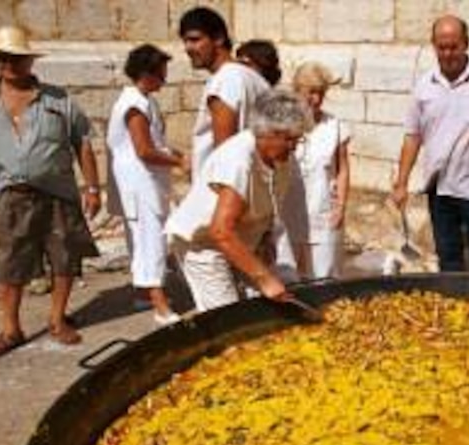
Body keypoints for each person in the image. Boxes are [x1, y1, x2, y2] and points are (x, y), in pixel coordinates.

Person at [0, 26, 101, 359]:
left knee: (64, 258)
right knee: (10, 263)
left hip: (58, 192)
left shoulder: (59, 99)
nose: (10, 64)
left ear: (30, 60)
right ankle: (11, 329)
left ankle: (57, 320)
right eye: (3, 58)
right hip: (10, 195)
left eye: (17, 58)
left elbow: (82, 143)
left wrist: (92, 186)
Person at [390, 15, 469, 272]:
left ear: (466, 44)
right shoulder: (425, 84)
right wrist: (401, 182)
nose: (447, 53)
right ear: (433, 45)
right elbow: (412, 135)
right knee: (448, 257)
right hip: (440, 188)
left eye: (453, 46)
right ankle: (454, 308)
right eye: (441, 47)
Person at [164, 90, 311, 312]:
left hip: (241, 239)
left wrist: (265, 236)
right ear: (265, 133)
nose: (293, 146)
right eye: (288, 139)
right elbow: (220, 231)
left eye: (298, 139)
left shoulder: (280, 157)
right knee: (227, 314)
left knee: (273, 301)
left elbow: (268, 198)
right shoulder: (238, 161)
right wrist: (263, 278)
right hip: (204, 244)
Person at [106, 44, 189, 326]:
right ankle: (160, 306)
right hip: (139, 184)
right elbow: (144, 150)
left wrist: (177, 154)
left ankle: (144, 292)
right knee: (149, 241)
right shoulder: (133, 106)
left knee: (145, 238)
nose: (164, 80)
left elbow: (156, 144)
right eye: (161, 74)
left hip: (149, 182)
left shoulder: (145, 101)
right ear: (146, 74)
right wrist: (177, 163)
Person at [179, 6, 270, 179]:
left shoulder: (225, 80)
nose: (188, 48)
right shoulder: (252, 77)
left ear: (218, 38)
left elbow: (225, 154)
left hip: (225, 190)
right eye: (185, 41)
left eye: (195, 39)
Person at [290, 61, 351, 280]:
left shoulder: (334, 125)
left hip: (323, 209)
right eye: (311, 92)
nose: (316, 99)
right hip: (290, 211)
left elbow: (342, 168)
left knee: (324, 275)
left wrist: (341, 207)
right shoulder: (285, 124)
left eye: (321, 93)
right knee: (291, 276)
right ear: (297, 91)